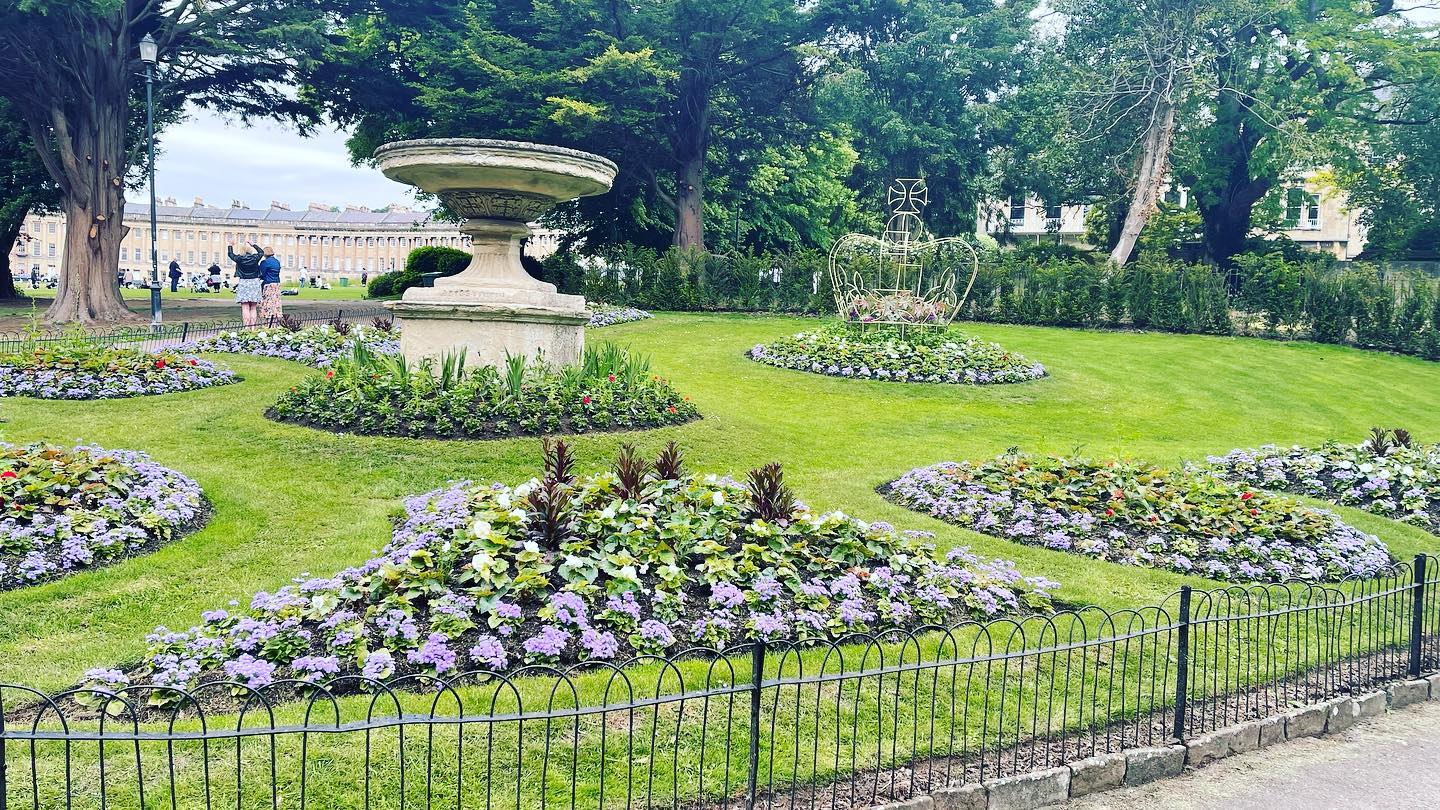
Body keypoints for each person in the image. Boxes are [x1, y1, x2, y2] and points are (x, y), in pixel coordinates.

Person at [227, 242, 264, 326]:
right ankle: (253, 327)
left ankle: (247, 327)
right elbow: (261, 252)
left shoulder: (239, 258)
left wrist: (230, 245)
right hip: (254, 282)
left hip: (244, 282)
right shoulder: (255, 258)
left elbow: (230, 254)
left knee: (245, 307)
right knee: (253, 307)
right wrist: (254, 245)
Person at [258, 246, 283, 323]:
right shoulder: (277, 261)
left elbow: (261, 273)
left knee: (268, 301)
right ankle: (276, 317)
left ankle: (269, 319)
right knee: (276, 301)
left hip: (268, 283)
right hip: (276, 283)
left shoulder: (265, 262)